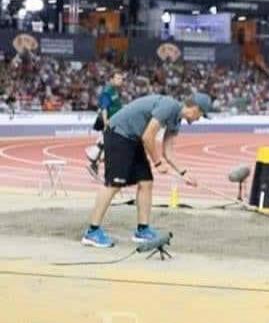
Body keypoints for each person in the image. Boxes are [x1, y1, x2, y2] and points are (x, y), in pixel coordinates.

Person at [81, 92, 214, 248]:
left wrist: (184, 173)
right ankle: (92, 232)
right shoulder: (169, 106)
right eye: (201, 115)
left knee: (146, 182)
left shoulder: (176, 120)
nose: (198, 119)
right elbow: (148, 136)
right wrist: (158, 163)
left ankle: (142, 230)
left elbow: (168, 151)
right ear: (195, 109)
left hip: (133, 139)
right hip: (119, 133)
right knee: (113, 184)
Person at [88, 70, 125, 179]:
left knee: (109, 145)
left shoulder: (115, 91)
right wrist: (105, 123)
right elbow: (104, 108)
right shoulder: (107, 91)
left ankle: (95, 161)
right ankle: (94, 162)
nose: (120, 80)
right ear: (111, 79)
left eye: (121, 78)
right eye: (118, 78)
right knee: (109, 144)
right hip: (109, 121)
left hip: (116, 121)